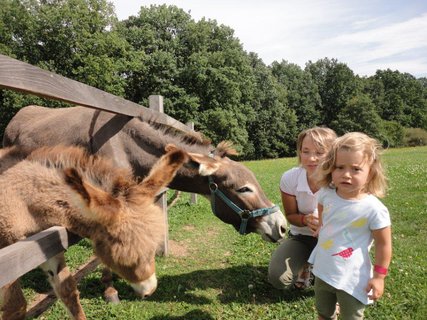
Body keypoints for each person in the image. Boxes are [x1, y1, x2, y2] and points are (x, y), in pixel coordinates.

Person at [309, 132, 392, 320]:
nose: (346, 174)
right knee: (323, 313)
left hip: (352, 278)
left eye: (356, 169)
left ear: (370, 172)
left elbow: (383, 244)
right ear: (331, 168)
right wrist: (322, 224)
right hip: (322, 270)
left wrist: (379, 277)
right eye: (339, 167)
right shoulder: (326, 193)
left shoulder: (374, 209)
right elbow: (321, 205)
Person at [268, 127, 337, 290]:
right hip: (303, 236)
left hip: (336, 238)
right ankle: (305, 263)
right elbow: (291, 215)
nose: (311, 158)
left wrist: (325, 222)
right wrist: (305, 220)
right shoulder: (290, 178)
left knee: (332, 282)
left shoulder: (340, 179)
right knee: (279, 279)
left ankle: (323, 267)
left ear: (333, 154)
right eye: (305, 151)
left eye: (320, 152)